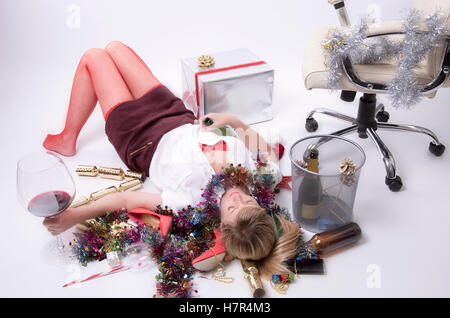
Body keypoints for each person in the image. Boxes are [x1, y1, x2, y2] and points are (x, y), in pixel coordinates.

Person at [42, 41, 300, 276]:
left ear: (221, 225)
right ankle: (69, 133)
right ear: (260, 205)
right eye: (248, 201)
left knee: (94, 57)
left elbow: (126, 199)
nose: (237, 197)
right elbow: (264, 148)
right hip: (174, 113)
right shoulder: (259, 180)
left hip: (139, 135)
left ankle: (67, 138)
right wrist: (232, 121)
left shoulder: (188, 201)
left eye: (232, 208)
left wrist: (75, 216)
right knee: (115, 48)